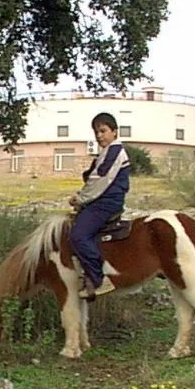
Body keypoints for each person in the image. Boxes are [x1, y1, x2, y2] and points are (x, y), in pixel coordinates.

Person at [68, 112, 130, 298]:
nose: (99, 136)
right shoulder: (106, 153)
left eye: (103, 131)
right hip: (100, 199)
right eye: (96, 132)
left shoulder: (114, 152)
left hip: (106, 202)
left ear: (114, 132)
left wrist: (79, 199)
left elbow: (99, 181)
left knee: (78, 235)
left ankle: (99, 279)